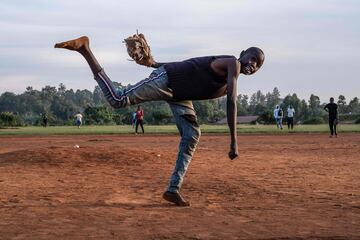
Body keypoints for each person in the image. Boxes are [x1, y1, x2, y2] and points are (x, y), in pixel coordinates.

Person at [54, 35, 264, 206]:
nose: (253, 64)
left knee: (192, 135)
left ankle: (173, 189)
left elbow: (189, 64)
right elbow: (232, 103)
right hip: (168, 80)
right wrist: (234, 141)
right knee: (117, 99)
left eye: (258, 64)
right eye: (252, 57)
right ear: (242, 54)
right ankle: (85, 49)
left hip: (179, 94)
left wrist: (154, 62)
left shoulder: (228, 83)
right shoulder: (232, 64)